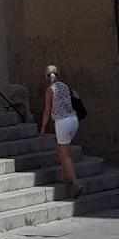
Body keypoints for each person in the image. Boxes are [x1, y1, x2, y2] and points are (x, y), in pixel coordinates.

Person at [40, 66, 80, 195]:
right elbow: (77, 96)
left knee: (65, 154)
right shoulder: (65, 86)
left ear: (47, 77)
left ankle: (75, 183)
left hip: (62, 122)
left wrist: (43, 127)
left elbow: (47, 109)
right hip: (73, 119)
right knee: (61, 149)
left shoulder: (50, 89)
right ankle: (67, 175)